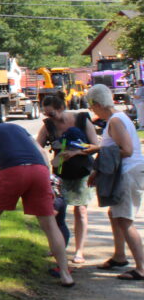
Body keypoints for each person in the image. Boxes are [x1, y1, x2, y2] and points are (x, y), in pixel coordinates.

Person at [0, 112, 74, 287]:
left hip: (12, 171)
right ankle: (65, 273)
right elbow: (41, 152)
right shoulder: (16, 127)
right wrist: (47, 179)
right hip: (39, 170)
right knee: (49, 224)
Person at [83, 84, 144, 281]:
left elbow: (126, 150)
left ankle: (141, 267)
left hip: (128, 174)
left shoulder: (115, 121)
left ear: (99, 104)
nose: (93, 111)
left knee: (125, 220)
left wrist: (96, 151)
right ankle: (119, 256)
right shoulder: (116, 119)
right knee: (114, 214)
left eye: (92, 107)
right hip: (127, 172)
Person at [36, 94, 98, 265]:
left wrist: (75, 152)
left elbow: (95, 145)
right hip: (60, 173)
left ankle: (79, 251)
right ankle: (59, 246)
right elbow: (37, 146)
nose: (49, 118)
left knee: (81, 210)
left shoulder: (81, 119)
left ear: (61, 108)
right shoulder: (48, 126)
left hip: (81, 171)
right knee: (56, 212)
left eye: (52, 114)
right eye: (46, 114)